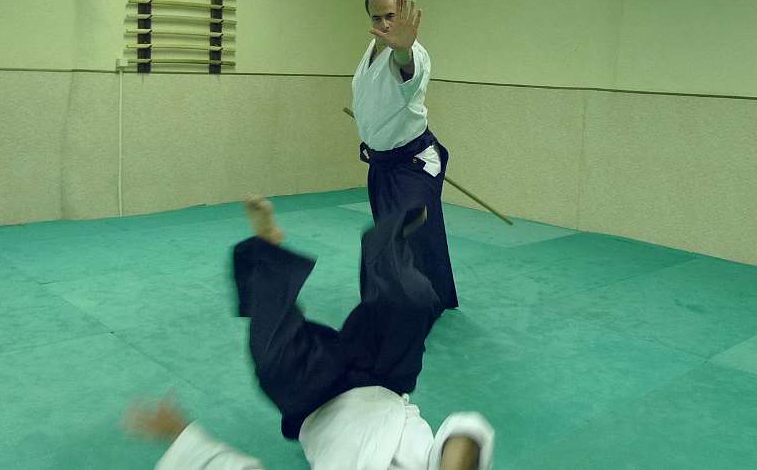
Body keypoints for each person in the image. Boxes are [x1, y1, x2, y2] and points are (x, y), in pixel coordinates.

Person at [125, 197, 494, 470]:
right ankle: (386, 242)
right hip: (384, 378)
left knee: (271, 354)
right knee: (412, 303)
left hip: (315, 400)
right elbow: (466, 429)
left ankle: (267, 247)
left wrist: (182, 435)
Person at [352, 0, 457, 311]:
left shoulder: (412, 53)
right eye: (377, 17)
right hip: (382, 165)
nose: (384, 24)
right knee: (415, 233)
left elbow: (406, 68)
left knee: (393, 233)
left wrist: (403, 50)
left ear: (403, 12)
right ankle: (431, 297)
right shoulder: (371, 49)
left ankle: (393, 307)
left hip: (414, 162)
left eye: (391, 16)